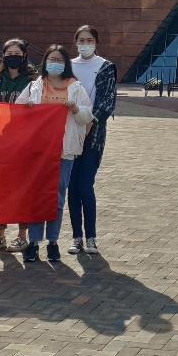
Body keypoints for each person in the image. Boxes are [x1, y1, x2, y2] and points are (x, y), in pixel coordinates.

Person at [21, 44, 92, 263]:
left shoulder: (76, 87)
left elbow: (87, 117)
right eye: (51, 59)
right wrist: (28, 109)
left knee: (57, 197)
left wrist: (75, 109)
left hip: (63, 151)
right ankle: (33, 242)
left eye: (60, 60)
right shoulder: (34, 86)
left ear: (66, 64)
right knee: (36, 197)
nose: (55, 64)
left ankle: (52, 241)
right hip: (37, 151)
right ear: (45, 63)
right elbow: (17, 111)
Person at [67, 25, 118, 255]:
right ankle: (76, 237)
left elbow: (107, 102)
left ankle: (91, 238)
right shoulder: (68, 66)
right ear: (75, 42)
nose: (85, 44)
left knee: (85, 186)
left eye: (89, 40)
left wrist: (89, 124)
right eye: (81, 40)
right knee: (72, 187)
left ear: (96, 43)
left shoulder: (105, 67)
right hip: (69, 134)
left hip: (93, 134)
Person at [0, 38, 35, 253]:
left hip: (23, 143)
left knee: (22, 189)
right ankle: (0, 235)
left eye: (17, 53)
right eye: (9, 53)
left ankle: (22, 236)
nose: (13, 57)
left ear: (24, 56)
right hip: (1, 142)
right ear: (3, 56)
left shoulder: (32, 81)